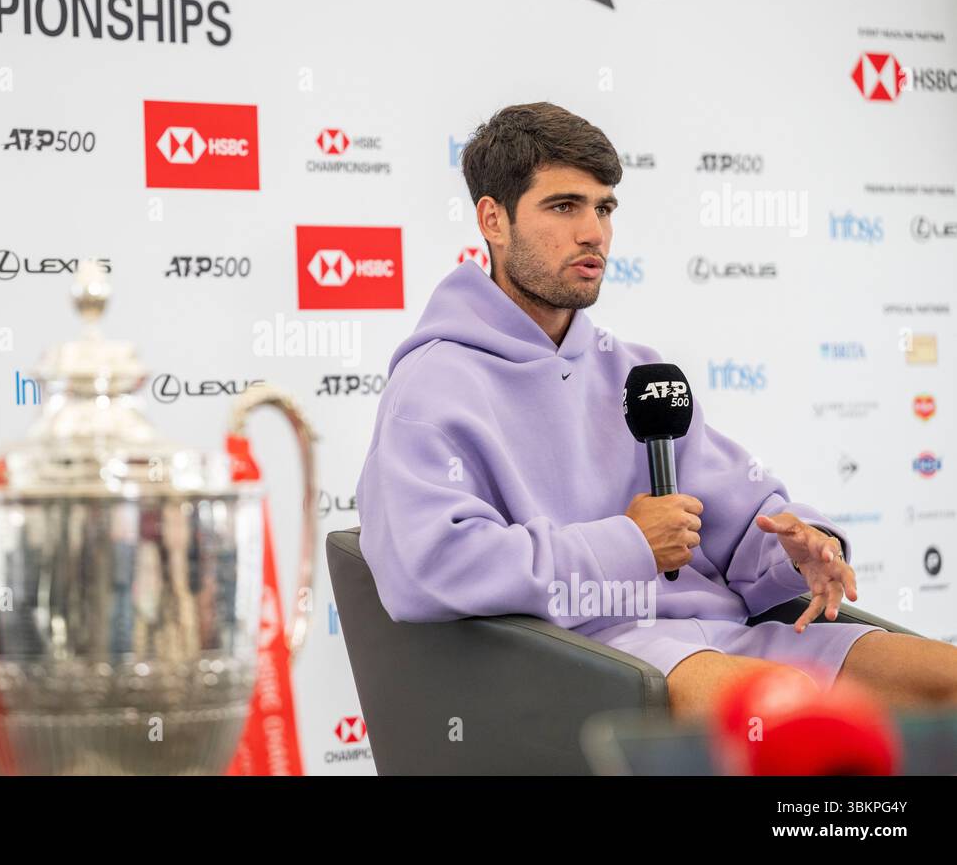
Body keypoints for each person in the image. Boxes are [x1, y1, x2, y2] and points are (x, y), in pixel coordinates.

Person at [355, 102, 957, 719]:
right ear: (494, 220)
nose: (593, 231)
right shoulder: (434, 384)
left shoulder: (636, 370)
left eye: (604, 208)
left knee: (947, 682)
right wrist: (628, 543)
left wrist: (800, 546)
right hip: (597, 659)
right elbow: (429, 567)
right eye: (564, 206)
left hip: (730, 638)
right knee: (797, 719)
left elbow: (743, 515)